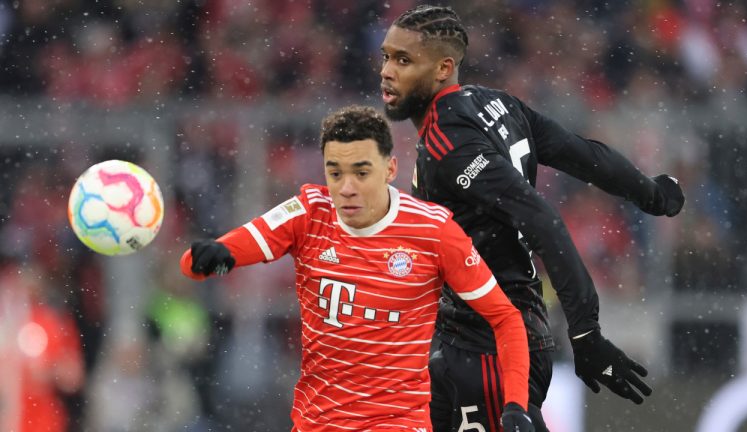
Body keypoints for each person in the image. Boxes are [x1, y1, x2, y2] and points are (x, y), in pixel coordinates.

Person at [379, 5, 686, 432]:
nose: (387, 71)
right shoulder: (497, 103)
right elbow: (583, 155)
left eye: (403, 60)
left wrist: (585, 332)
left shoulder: (450, 145)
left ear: (443, 67)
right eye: (386, 56)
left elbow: (542, 218)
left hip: (489, 342)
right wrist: (650, 193)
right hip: (474, 337)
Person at [179, 105, 534, 432]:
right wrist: (211, 257)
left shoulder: (434, 231)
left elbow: (505, 318)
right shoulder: (308, 213)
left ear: (390, 169)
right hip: (316, 424)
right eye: (335, 173)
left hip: (398, 424)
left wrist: (516, 403)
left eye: (361, 172)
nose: (347, 188)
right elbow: (208, 257)